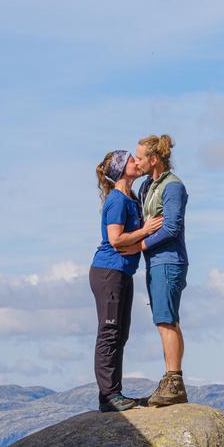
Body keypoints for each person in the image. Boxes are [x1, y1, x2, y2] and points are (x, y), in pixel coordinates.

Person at [89, 146, 162, 413]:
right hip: (108, 272)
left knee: (121, 333)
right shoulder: (117, 200)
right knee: (109, 332)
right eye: (132, 159)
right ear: (121, 169)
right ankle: (108, 396)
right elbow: (115, 239)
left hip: (121, 273)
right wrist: (145, 230)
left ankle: (113, 392)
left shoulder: (129, 197)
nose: (136, 161)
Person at [133, 134, 189, 407]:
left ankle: (174, 380)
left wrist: (140, 244)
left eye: (140, 158)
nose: (137, 162)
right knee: (165, 320)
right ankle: (171, 378)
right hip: (155, 261)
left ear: (154, 159)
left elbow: (171, 227)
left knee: (166, 320)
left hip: (169, 260)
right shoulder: (147, 187)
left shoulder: (173, 187)